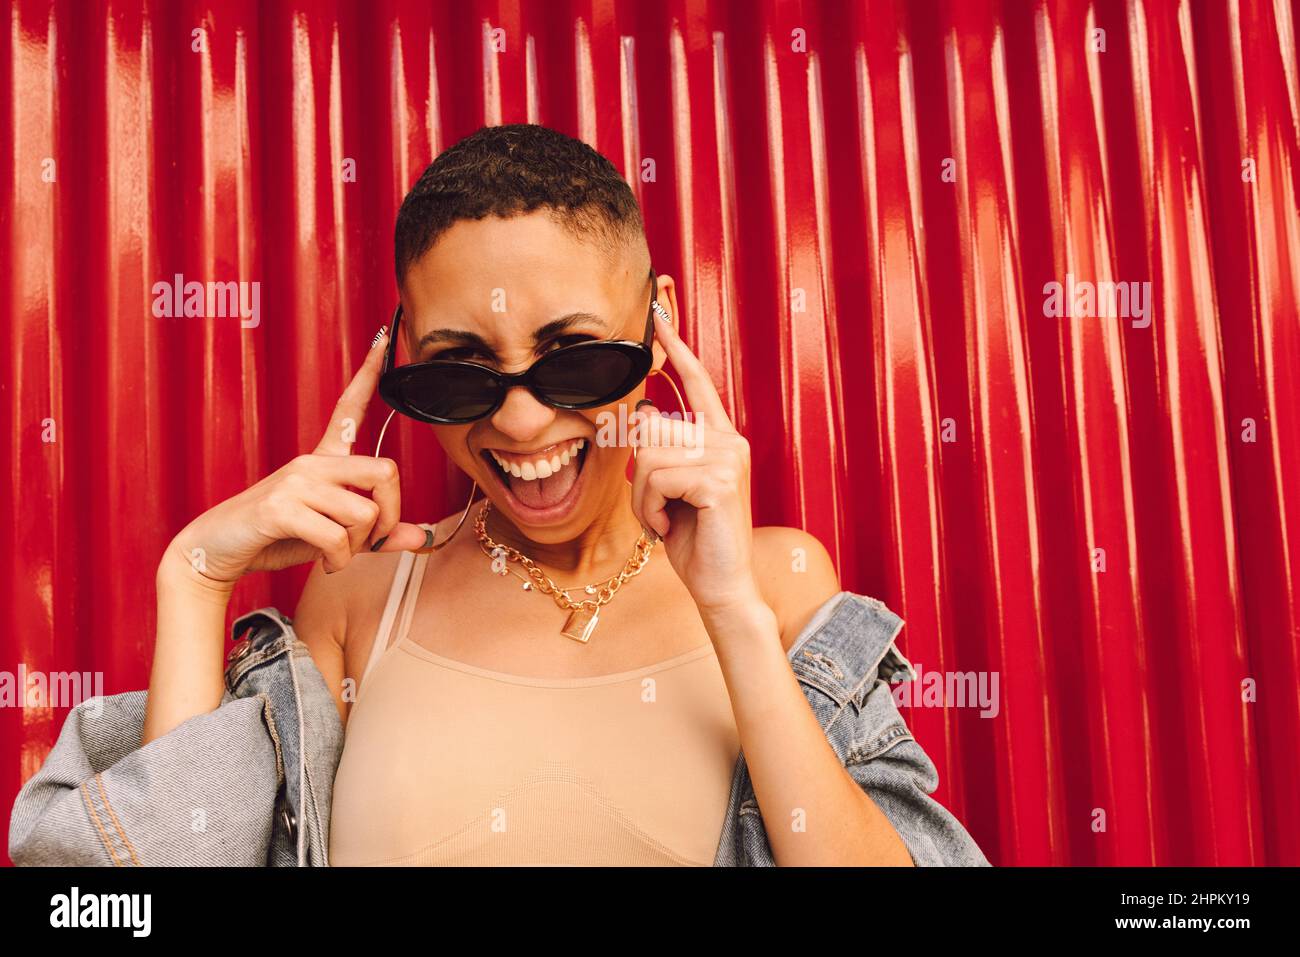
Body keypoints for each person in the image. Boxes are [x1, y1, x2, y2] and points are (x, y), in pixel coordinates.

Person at [15, 124, 989, 867]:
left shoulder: (777, 582)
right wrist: (193, 576)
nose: (521, 424)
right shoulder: (365, 599)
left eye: (573, 359)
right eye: (460, 371)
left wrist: (730, 610)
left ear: (658, 332)